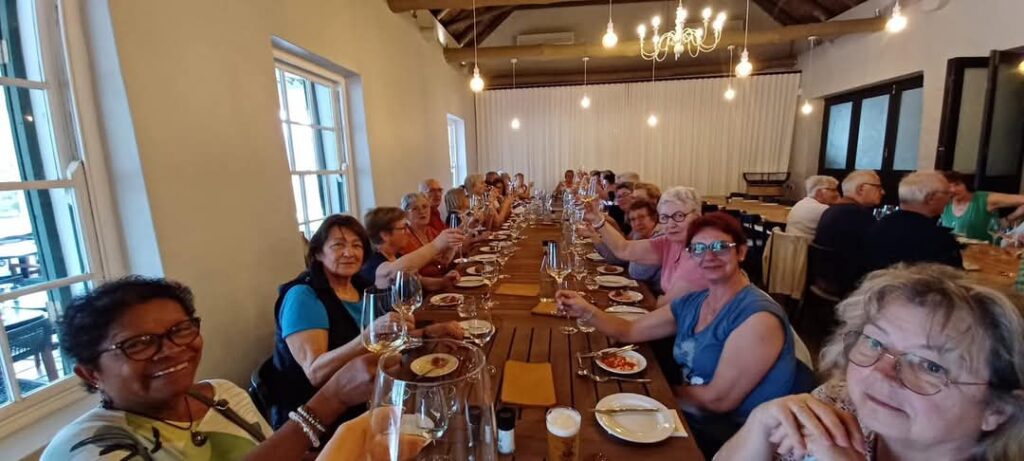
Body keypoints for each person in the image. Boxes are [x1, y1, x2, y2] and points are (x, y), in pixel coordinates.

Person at [44, 276, 377, 460]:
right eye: (138, 344)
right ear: (91, 373)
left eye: (180, 330)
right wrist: (329, 401)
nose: (170, 350)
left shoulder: (222, 395)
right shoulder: (85, 446)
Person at [717, 264, 1024, 461]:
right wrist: (758, 427)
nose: (881, 373)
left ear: (998, 410)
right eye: (875, 343)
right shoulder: (838, 402)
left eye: (929, 365)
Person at [558, 213, 805, 456]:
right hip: (692, 412)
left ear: (741, 252)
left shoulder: (757, 318)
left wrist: (657, 392)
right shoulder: (695, 302)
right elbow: (629, 330)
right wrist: (585, 310)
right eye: (698, 249)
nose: (708, 256)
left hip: (735, 436)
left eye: (720, 247)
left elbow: (717, 400)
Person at [270, 215, 462, 429]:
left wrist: (429, 332)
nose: (349, 252)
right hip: (315, 423)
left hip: (370, 395)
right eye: (338, 245)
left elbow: (383, 339)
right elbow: (315, 372)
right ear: (318, 253)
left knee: (449, 400)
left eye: (356, 245)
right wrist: (367, 337)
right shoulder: (303, 296)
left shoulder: (360, 287)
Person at [585, 186, 708, 303]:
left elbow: (669, 305)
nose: (671, 224)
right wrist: (596, 219)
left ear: (697, 216)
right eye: (665, 217)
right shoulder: (668, 242)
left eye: (679, 216)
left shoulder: (704, 253)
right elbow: (624, 249)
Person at [863, 171, 961, 272]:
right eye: (947, 194)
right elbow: (953, 277)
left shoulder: (879, 226)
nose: (949, 199)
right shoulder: (937, 239)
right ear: (930, 198)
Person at [812, 170, 886, 298]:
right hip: (848, 288)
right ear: (861, 189)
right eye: (878, 187)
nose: (883, 192)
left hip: (824, 282)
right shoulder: (859, 216)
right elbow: (876, 255)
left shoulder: (831, 210)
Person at [363, 205, 460, 287]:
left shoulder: (397, 256)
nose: (408, 231)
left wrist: (443, 282)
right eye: (403, 228)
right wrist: (437, 244)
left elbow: (420, 281)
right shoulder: (373, 263)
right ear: (385, 235)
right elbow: (392, 273)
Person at [588, 200, 664, 294]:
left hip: (658, 297)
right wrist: (593, 235)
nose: (637, 223)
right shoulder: (641, 235)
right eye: (633, 219)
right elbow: (619, 259)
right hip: (645, 291)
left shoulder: (661, 238)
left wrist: (633, 244)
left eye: (641, 217)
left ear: (654, 218)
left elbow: (636, 272)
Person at [940, 171, 1024, 242]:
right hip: (954, 253)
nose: (953, 189)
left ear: (965, 184)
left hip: (984, 253)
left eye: (957, 184)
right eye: (949, 186)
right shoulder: (944, 202)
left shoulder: (986, 199)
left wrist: (1009, 219)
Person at [398, 193, 457, 278]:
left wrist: (451, 251)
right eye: (415, 209)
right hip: (422, 284)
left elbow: (444, 261)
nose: (422, 211)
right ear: (406, 215)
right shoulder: (403, 237)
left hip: (442, 277)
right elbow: (409, 270)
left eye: (425, 207)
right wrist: (430, 258)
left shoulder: (431, 231)